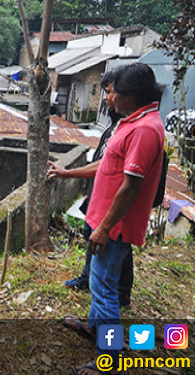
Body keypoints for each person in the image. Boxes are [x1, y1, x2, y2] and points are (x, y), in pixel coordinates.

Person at [67, 63, 164, 375]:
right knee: (98, 284)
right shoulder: (131, 121)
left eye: (113, 93)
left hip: (116, 227)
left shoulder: (145, 130)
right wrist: (68, 173)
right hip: (104, 220)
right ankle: (95, 327)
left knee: (106, 290)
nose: (108, 98)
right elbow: (108, 164)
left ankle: (108, 359)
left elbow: (130, 185)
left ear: (131, 96)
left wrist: (105, 227)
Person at [47, 69, 133, 308]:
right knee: (93, 237)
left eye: (108, 92)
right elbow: (104, 164)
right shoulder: (116, 126)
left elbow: (115, 172)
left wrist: (68, 174)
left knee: (114, 247)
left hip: (112, 203)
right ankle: (89, 279)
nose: (106, 98)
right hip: (99, 193)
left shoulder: (134, 130)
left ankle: (121, 296)